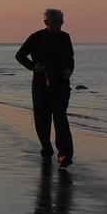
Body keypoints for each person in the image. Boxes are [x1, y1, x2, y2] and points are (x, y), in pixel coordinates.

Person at [15, 8, 75, 167]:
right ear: (46, 22)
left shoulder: (65, 37)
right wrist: (34, 67)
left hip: (61, 83)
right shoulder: (36, 37)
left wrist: (69, 70)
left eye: (61, 22)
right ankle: (46, 147)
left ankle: (65, 154)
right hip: (41, 83)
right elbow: (20, 55)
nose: (59, 25)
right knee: (42, 118)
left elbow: (70, 58)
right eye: (56, 22)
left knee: (61, 118)